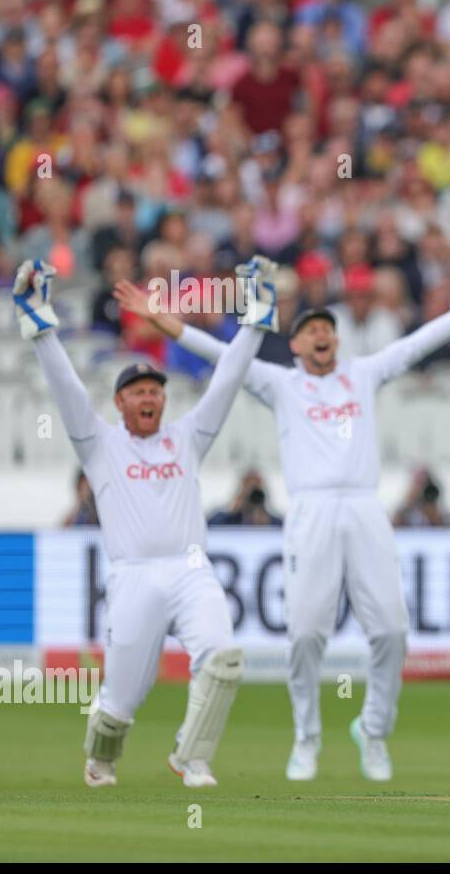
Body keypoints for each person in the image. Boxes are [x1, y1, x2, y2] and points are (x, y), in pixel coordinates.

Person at [115, 258, 450, 782]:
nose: (322, 335)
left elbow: (422, 340)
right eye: (311, 331)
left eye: (328, 329)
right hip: (310, 512)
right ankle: (306, 737)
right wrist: (158, 318)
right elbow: (218, 353)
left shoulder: (363, 373)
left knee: (393, 631)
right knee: (307, 633)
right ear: (296, 345)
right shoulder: (279, 383)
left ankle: (373, 730)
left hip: (364, 507)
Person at [16, 256, 277, 788]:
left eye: (156, 390)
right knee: (119, 702)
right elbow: (66, 389)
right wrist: (40, 323)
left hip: (190, 569)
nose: (150, 397)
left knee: (223, 659)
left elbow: (226, 381)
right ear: (119, 402)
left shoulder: (187, 436)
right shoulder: (99, 443)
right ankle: (101, 759)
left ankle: (192, 757)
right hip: (134, 575)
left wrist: (253, 322)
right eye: (138, 391)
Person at [209, 470, 282, 526]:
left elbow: (284, 529)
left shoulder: (272, 520)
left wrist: (268, 523)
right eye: (248, 488)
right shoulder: (229, 518)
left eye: (256, 488)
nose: (252, 495)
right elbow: (210, 527)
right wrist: (232, 513)